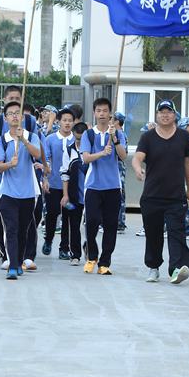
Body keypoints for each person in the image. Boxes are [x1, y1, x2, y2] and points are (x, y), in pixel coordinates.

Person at [132, 99, 189, 284]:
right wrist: (137, 169)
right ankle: (153, 267)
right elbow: (137, 157)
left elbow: (188, 163)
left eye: (169, 112)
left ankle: (176, 269)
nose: (165, 115)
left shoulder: (183, 136)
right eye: (162, 112)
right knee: (153, 234)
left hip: (176, 196)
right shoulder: (148, 137)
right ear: (157, 115)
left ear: (174, 115)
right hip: (152, 195)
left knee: (177, 233)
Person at [0, 101, 42, 280]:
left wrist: (24, 140)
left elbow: (37, 155)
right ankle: (13, 266)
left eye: (17, 113)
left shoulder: (32, 136)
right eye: (10, 113)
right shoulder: (1, 140)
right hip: (7, 193)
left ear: (22, 117)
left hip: (28, 193)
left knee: (23, 230)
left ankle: (19, 260)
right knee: (12, 229)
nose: (14, 116)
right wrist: (9, 164)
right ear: (6, 118)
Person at [80, 97, 127, 275]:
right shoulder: (88, 134)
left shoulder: (118, 133)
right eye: (98, 111)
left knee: (110, 225)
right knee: (91, 222)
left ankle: (105, 262)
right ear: (94, 113)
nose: (102, 114)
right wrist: (101, 153)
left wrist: (114, 139)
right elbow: (85, 158)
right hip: (93, 186)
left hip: (113, 186)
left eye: (105, 111)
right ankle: (91, 257)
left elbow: (123, 156)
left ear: (110, 114)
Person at [42, 107, 75, 259]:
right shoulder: (50, 139)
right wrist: (45, 178)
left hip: (71, 185)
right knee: (52, 212)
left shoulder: (76, 139)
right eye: (64, 120)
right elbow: (46, 160)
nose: (67, 123)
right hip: (54, 183)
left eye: (70, 121)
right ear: (59, 122)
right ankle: (48, 240)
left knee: (68, 215)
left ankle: (64, 248)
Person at [61, 121, 88, 267]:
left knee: (92, 224)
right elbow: (65, 174)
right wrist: (65, 195)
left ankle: (89, 247)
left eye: (82, 139)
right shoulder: (69, 150)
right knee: (74, 225)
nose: (79, 142)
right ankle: (75, 254)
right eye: (77, 139)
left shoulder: (92, 150)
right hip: (74, 195)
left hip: (90, 194)